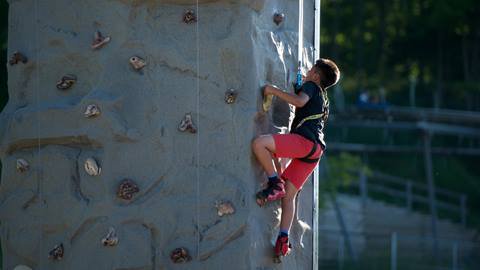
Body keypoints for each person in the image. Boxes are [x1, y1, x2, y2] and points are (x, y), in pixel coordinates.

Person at [252, 58, 340, 261]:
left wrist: (272, 90)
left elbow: (300, 101)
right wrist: (299, 88)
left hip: (305, 142)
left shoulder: (311, 86)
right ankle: (283, 239)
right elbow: (305, 102)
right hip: (315, 150)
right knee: (289, 196)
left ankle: (274, 183)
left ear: (316, 76)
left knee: (259, 144)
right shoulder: (323, 97)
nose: (308, 72)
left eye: (311, 71)